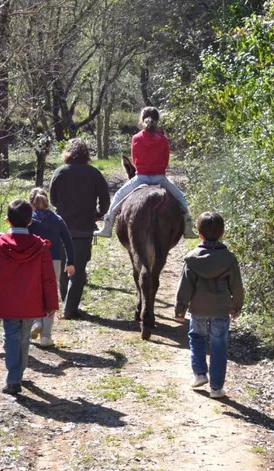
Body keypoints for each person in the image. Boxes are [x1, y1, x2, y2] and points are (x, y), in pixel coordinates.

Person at [0, 199, 59, 395]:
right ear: (30, 221)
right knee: (24, 339)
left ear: (8, 221)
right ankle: (16, 376)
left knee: (12, 338)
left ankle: (14, 378)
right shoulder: (40, 248)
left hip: (6, 303)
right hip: (32, 302)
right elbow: (48, 279)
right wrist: (51, 304)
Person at [94, 106, 197, 239]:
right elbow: (166, 161)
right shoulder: (163, 139)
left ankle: (107, 229)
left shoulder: (136, 138)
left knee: (118, 196)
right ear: (157, 121)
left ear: (142, 120)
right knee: (181, 198)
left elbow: (135, 161)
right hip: (160, 179)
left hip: (141, 178)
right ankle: (188, 229)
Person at [174, 212, 244, 399]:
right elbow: (236, 286)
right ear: (222, 233)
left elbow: (185, 287)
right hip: (221, 309)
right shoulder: (229, 259)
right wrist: (236, 307)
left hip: (198, 308)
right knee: (219, 345)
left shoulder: (191, 259)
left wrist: (180, 309)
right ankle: (216, 388)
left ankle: (199, 374)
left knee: (196, 337)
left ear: (199, 234)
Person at [49, 138, 110, 319]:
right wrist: (98, 213)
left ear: (67, 153)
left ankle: (65, 303)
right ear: (86, 154)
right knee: (78, 269)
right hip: (83, 229)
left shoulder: (59, 172)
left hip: (61, 228)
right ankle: (70, 309)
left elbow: (53, 200)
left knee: (62, 268)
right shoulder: (94, 173)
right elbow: (105, 199)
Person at [27, 187, 76, 347]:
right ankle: (46, 337)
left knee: (34, 293)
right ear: (47, 201)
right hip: (53, 261)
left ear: (31, 202)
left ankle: (36, 322)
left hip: (32, 261)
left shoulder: (28, 220)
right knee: (50, 295)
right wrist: (70, 262)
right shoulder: (57, 218)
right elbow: (68, 240)